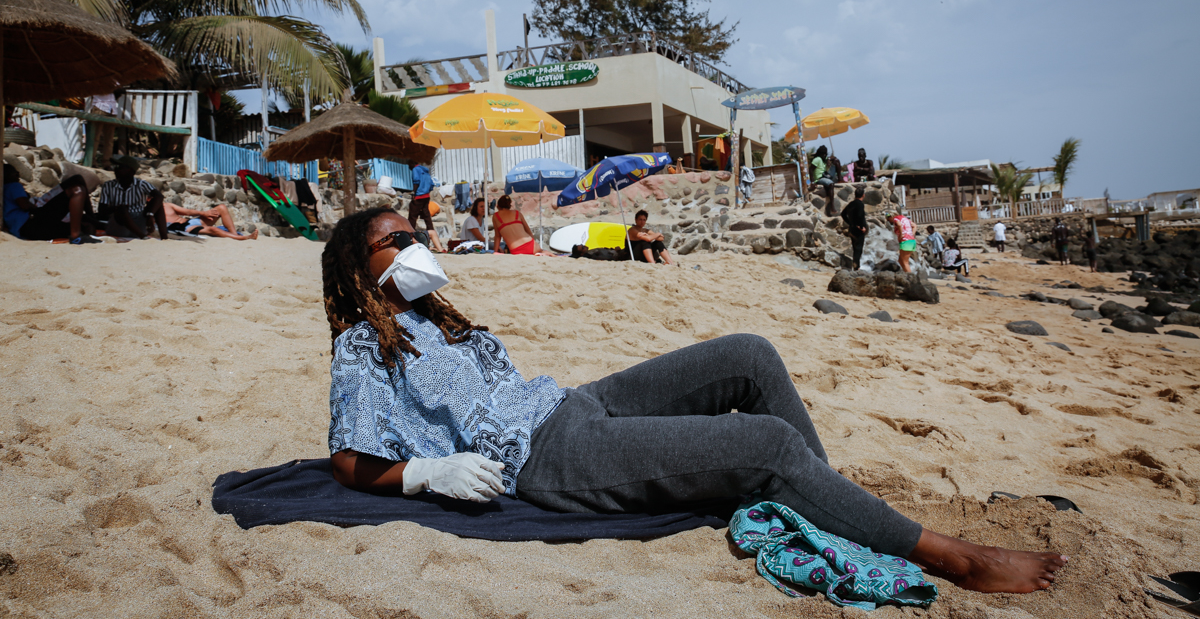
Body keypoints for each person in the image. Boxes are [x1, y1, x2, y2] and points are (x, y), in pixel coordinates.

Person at [322, 208, 1069, 595]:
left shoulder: (440, 320)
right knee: (767, 444)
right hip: (550, 459)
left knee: (749, 355)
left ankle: (821, 508)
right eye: (396, 241)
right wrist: (428, 474)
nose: (417, 245)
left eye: (415, 232)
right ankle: (954, 559)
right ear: (362, 270)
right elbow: (349, 460)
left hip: (576, 406)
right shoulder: (363, 345)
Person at [3, 164, 101, 244]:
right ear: (6, 175)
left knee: (86, 226)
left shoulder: (5, 189)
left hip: (29, 231)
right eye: (13, 171)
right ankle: (76, 235)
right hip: (31, 224)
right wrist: (39, 208)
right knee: (77, 189)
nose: (17, 173)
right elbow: (24, 205)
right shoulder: (13, 186)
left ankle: (88, 224)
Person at [97, 155, 167, 239]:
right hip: (119, 225)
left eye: (119, 167)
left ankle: (164, 238)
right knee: (122, 208)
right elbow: (101, 210)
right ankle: (143, 237)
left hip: (139, 222)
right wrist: (116, 208)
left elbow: (159, 196)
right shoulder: (108, 185)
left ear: (130, 170)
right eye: (115, 167)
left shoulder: (141, 184)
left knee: (159, 204)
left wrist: (150, 215)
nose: (115, 169)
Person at [162, 201, 258, 240]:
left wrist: (204, 213)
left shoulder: (166, 205)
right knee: (213, 230)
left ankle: (234, 235)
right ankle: (243, 238)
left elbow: (187, 212)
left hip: (190, 221)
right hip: (182, 228)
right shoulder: (150, 212)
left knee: (221, 208)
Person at [408, 163, 444, 252]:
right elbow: (431, 184)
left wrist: (414, 193)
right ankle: (432, 234)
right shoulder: (425, 171)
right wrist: (426, 191)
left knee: (412, 216)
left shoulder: (416, 169)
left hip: (419, 195)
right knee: (427, 216)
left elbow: (416, 181)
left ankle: (409, 235)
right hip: (426, 196)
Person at [840, 187, 868, 270]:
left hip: (852, 229)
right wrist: (861, 227)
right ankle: (857, 266)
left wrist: (850, 223)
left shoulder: (851, 204)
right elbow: (860, 216)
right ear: (863, 195)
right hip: (858, 230)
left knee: (855, 247)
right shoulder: (860, 204)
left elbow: (843, 214)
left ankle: (856, 265)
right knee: (858, 248)